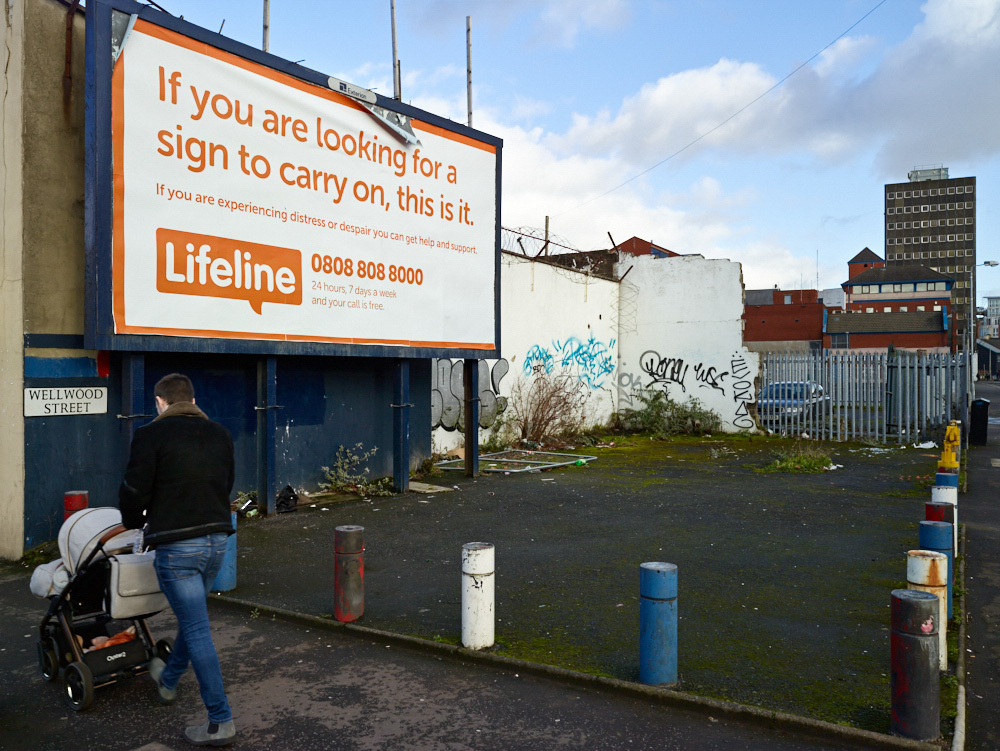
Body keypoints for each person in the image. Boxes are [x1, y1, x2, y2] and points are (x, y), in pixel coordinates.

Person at [119, 373, 237, 747]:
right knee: (194, 618)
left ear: (160, 402)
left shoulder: (150, 435)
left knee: (197, 628)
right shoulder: (219, 433)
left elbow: (135, 489)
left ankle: (220, 721)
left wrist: (135, 524)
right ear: (193, 399)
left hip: (179, 549)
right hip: (218, 542)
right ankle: (168, 681)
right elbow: (226, 482)